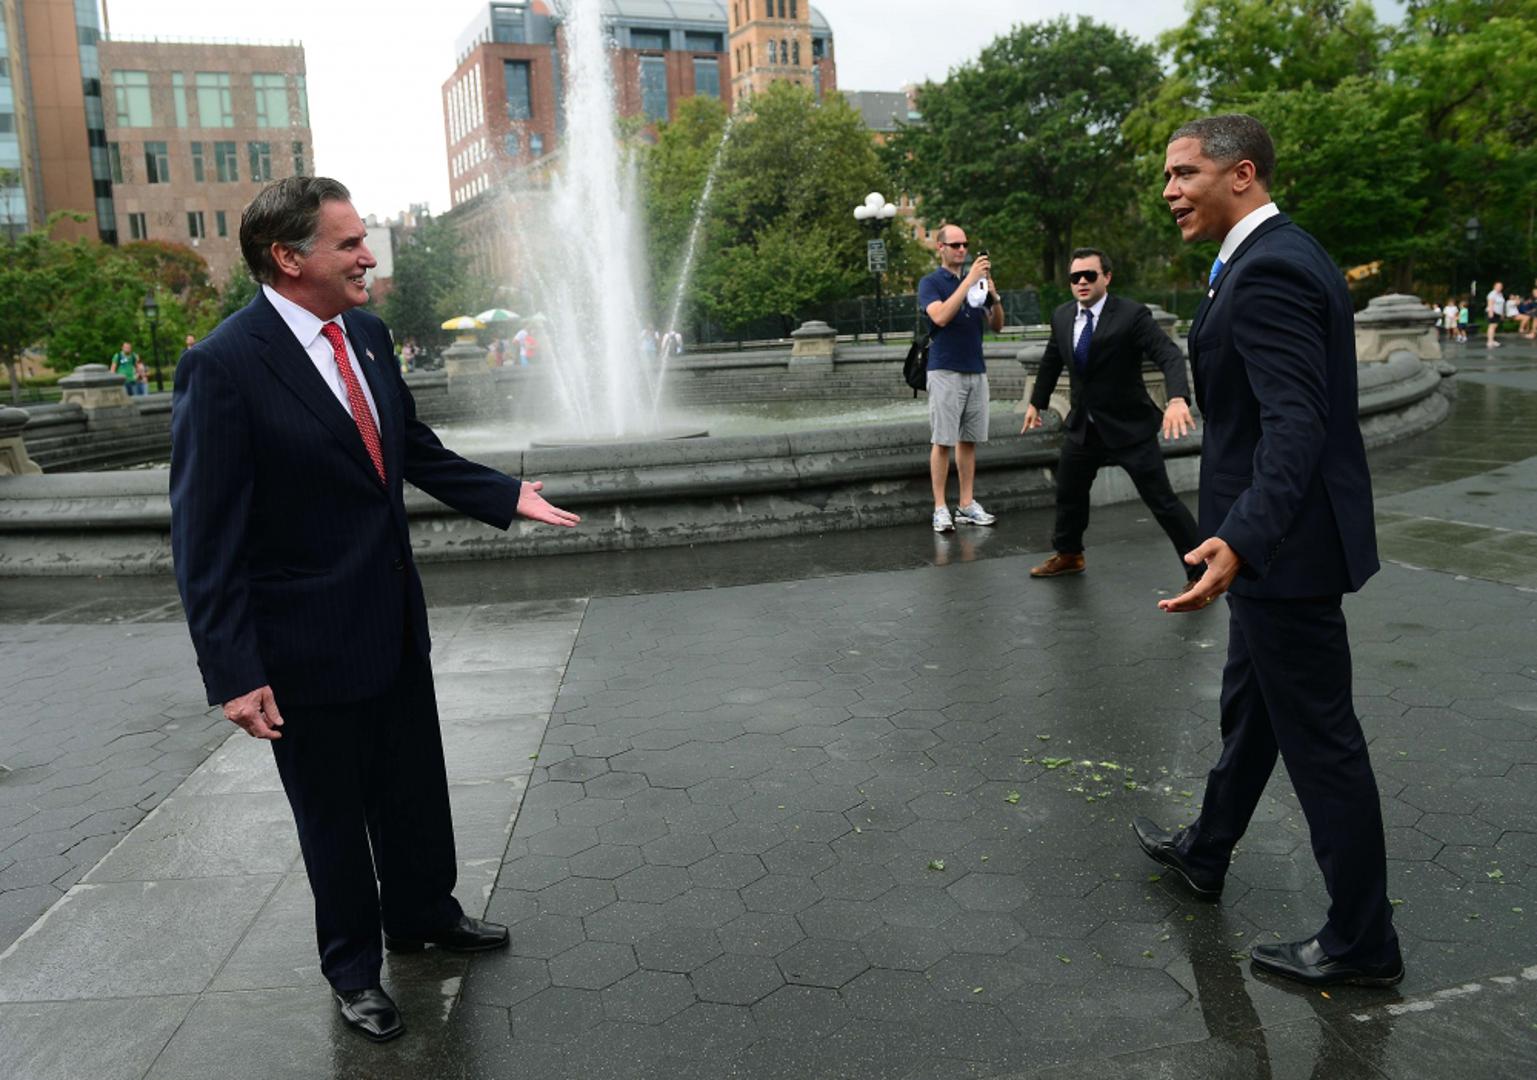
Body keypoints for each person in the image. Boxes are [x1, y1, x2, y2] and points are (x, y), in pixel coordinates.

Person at [169, 177, 581, 1043]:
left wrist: (504, 494)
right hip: (301, 645)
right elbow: (204, 538)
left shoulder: (367, 333)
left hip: (391, 618)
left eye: (364, 239)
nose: (367, 256)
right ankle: (354, 971)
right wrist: (235, 673)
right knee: (333, 818)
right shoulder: (224, 365)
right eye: (349, 243)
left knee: (412, 785)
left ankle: (423, 913)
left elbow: (409, 447)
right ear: (288, 259)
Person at [1139, 114, 1402, 989]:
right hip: (1270, 545)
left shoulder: (1269, 269)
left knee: (1321, 744)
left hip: (1280, 548)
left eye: (1183, 173)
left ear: (1240, 173)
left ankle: (1362, 942)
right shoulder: (1271, 254)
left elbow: (1296, 425)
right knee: (1250, 712)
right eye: (1167, 176)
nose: (1169, 190)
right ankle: (1206, 850)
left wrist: (1243, 539)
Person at [1022, 247, 1200, 586]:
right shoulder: (1062, 316)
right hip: (1084, 426)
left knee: (1162, 502)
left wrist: (1177, 398)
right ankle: (1069, 554)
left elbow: (1169, 354)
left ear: (1107, 277)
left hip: (1129, 427)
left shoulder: (1131, 315)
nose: (1082, 282)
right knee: (1069, 492)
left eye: (1090, 275)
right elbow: (1051, 360)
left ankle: (1200, 570)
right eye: (1075, 277)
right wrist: (1036, 403)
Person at [918, 224, 1004, 532]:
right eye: (955, 245)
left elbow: (998, 326)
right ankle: (940, 508)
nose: (962, 249)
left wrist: (994, 296)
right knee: (942, 440)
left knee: (968, 440)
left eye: (965, 244)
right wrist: (968, 281)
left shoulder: (977, 283)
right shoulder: (930, 283)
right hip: (945, 369)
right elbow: (940, 316)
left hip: (975, 369)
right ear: (940, 247)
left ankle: (966, 504)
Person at [1486, 281, 1504, 347]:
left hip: (1498, 313)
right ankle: (1489, 341)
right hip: (1492, 312)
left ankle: (1492, 340)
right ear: (1494, 286)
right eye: (1498, 286)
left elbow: (1501, 305)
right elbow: (1490, 303)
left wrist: (1502, 314)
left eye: (1500, 286)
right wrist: (1491, 313)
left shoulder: (1500, 294)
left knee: (1494, 327)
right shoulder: (1492, 294)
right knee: (1491, 326)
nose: (1499, 287)